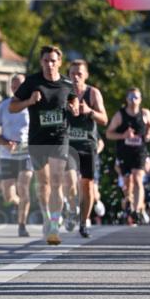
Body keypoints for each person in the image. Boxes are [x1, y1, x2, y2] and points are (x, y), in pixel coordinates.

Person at [9, 45, 73, 245]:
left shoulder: (67, 84)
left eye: (53, 61)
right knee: (43, 183)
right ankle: (47, 216)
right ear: (41, 62)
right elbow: (12, 106)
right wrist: (29, 101)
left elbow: (75, 104)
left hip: (59, 138)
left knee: (56, 180)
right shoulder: (32, 82)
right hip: (37, 139)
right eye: (46, 61)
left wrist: (76, 108)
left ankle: (54, 225)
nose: (49, 64)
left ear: (59, 63)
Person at [64, 60, 108, 238]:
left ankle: (83, 222)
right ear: (68, 75)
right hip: (69, 145)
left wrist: (89, 111)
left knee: (87, 185)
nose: (76, 77)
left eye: (79, 74)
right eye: (73, 73)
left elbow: (104, 119)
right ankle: (72, 210)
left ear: (86, 75)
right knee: (71, 181)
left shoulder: (93, 93)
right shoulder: (63, 93)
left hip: (88, 145)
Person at [0, 74, 32, 237]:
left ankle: (22, 224)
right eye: (13, 87)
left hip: (27, 153)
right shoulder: (4, 106)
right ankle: (20, 204)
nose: (16, 89)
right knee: (8, 195)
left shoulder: (31, 106)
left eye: (19, 86)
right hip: (7, 154)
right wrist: (5, 143)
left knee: (23, 187)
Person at [106, 87, 150, 225]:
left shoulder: (145, 114)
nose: (133, 100)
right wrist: (123, 135)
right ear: (126, 99)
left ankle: (137, 211)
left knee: (138, 179)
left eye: (136, 97)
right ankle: (130, 206)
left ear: (140, 100)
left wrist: (149, 133)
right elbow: (109, 133)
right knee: (128, 183)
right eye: (131, 97)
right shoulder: (120, 115)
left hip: (139, 152)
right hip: (124, 152)